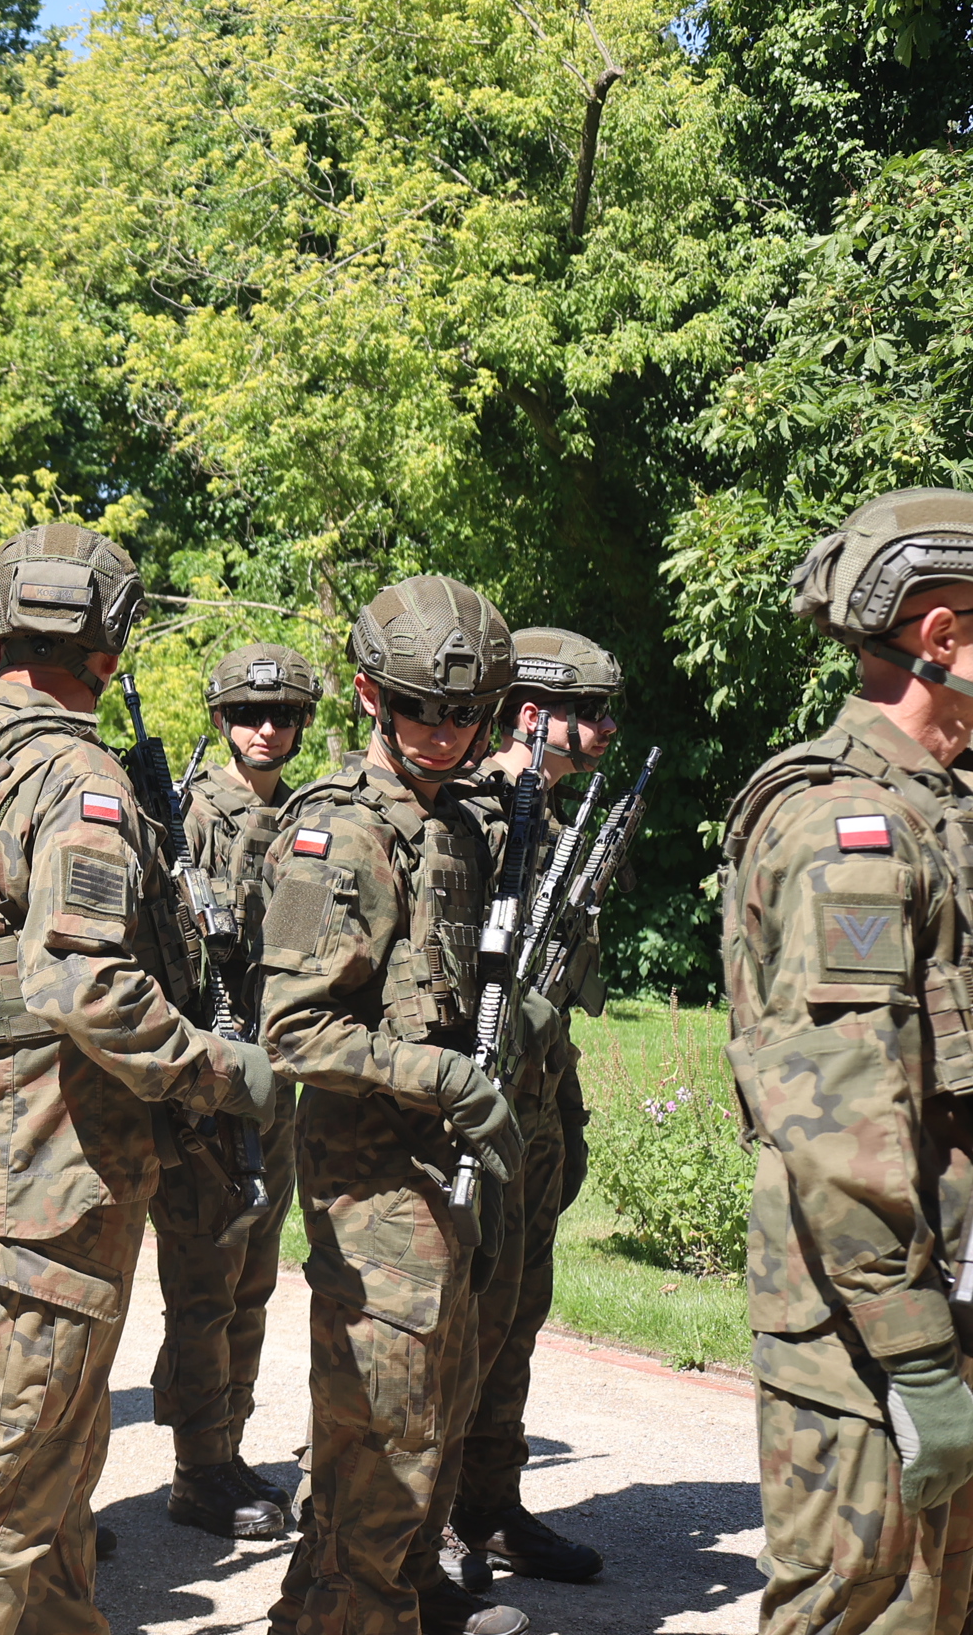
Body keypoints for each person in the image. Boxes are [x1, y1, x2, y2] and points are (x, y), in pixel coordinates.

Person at [0, 527, 276, 1635]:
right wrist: (222, 1072)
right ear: (109, 647)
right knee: (3, 1490)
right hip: (48, 1165)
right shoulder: (76, 775)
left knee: (46, 1453)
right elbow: (82, 982)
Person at [256, 576, 530, 1635]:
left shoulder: (450, 822)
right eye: (419, 707)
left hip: (436, 1176)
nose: (443, 732)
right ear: (372, 696)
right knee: (387, 1430)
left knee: (434, 1412)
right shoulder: (342, 831)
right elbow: (293, 1031)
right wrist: (446, 1079)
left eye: (465, 713)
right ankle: (360, 1613)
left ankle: (386, 1594)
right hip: (372, 1181)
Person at [724, 490, 973, 1635]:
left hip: (937, 1295)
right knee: (871, 1609)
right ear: (942, 636)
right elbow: (838, 1116)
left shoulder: (937, 808)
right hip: (868, 1330)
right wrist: (917, 1359)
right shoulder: (848, 827)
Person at [441, 630, 618, 1589]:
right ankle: (422, 1516)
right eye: (589, 711)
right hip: (477, 1107)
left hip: (538, 1106)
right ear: (533, 713)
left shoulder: (552, 819)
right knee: (460, 1323)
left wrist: (568, 1113)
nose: (605, 729)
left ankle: (489, 1504)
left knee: (517, 1317)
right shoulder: (470, 814)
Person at [152, 643, 320, 1543]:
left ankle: (228, 1447)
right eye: (250, 715)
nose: (266, 730)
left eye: (283, 715)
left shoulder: (304, 816)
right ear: (221, 721)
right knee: (204, 1283)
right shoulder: (187, 816)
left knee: (253, 1278)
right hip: (208, 1084)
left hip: (276, 1080)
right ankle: (197, 1466)